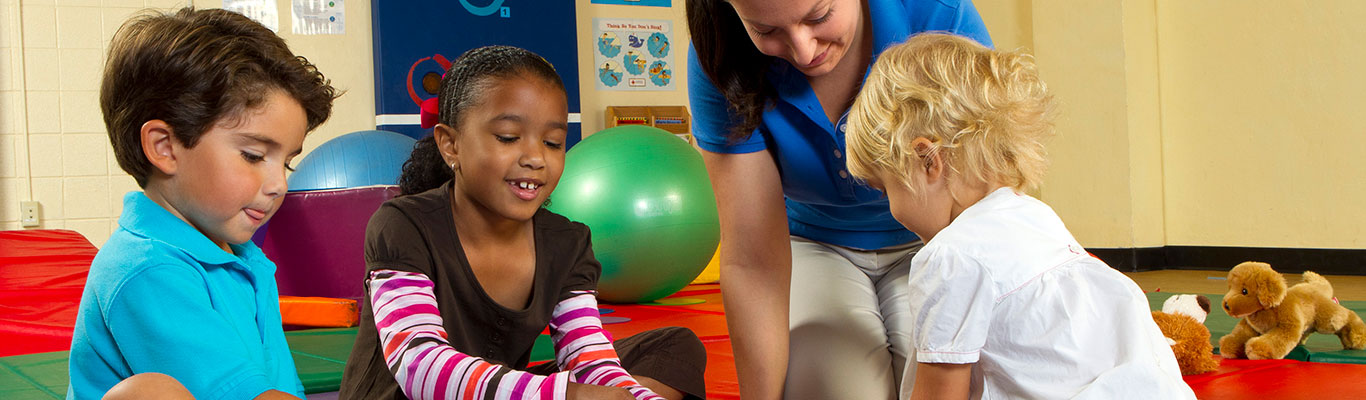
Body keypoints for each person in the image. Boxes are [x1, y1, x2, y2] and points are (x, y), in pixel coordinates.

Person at [337, 45, 706, 400]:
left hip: (502, 391)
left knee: (674, 347)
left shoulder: (567, 241)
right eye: (508, 137)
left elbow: (591, 361)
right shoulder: (404, 224)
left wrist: (622, 396)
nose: (535, 158)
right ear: (450, 145)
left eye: (553, 142)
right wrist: (567, 395)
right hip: (414, 394)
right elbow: (420, 368)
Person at [844, 33, 1196, 399]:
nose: (891, 210)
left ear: (928, 160)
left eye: (886, 190)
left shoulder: (950, 257)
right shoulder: (1034, 215)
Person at [685, 0, 990, 398]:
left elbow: (986, 195)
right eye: (767, 31)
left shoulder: (940, 15)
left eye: (819, 17)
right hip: (814, 244)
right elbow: (753, 257)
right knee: (837, 389)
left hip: (934, 241)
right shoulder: (721, 49)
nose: (804, 51)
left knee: (948, 377)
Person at [67, 7, 338, 400]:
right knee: (151, 392)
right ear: (165, 147)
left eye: (288, 161)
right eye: (252, 155)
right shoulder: (146, 268)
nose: (280, 184)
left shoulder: (241, 258)